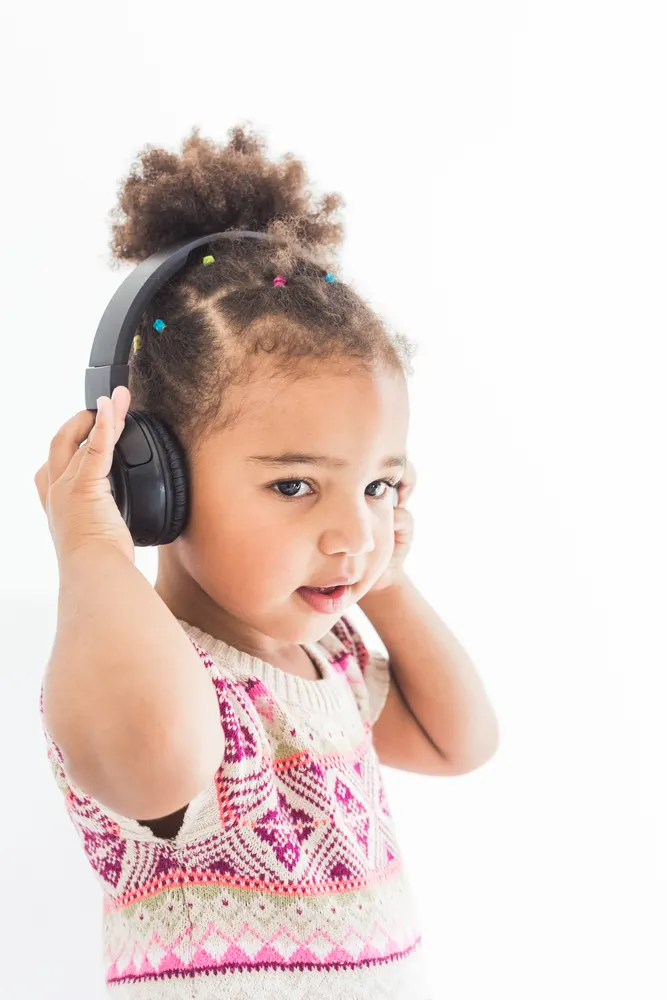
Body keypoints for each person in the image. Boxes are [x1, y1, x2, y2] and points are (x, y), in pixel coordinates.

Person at [34, 123, 499, 999]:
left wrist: (388, 581)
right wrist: (92, 546)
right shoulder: (151, 678)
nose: (352, 534)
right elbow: (153, 752)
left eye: (378, 485)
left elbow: (458, 742)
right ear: (151, 483)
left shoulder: (330, 665)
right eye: (295, 486)